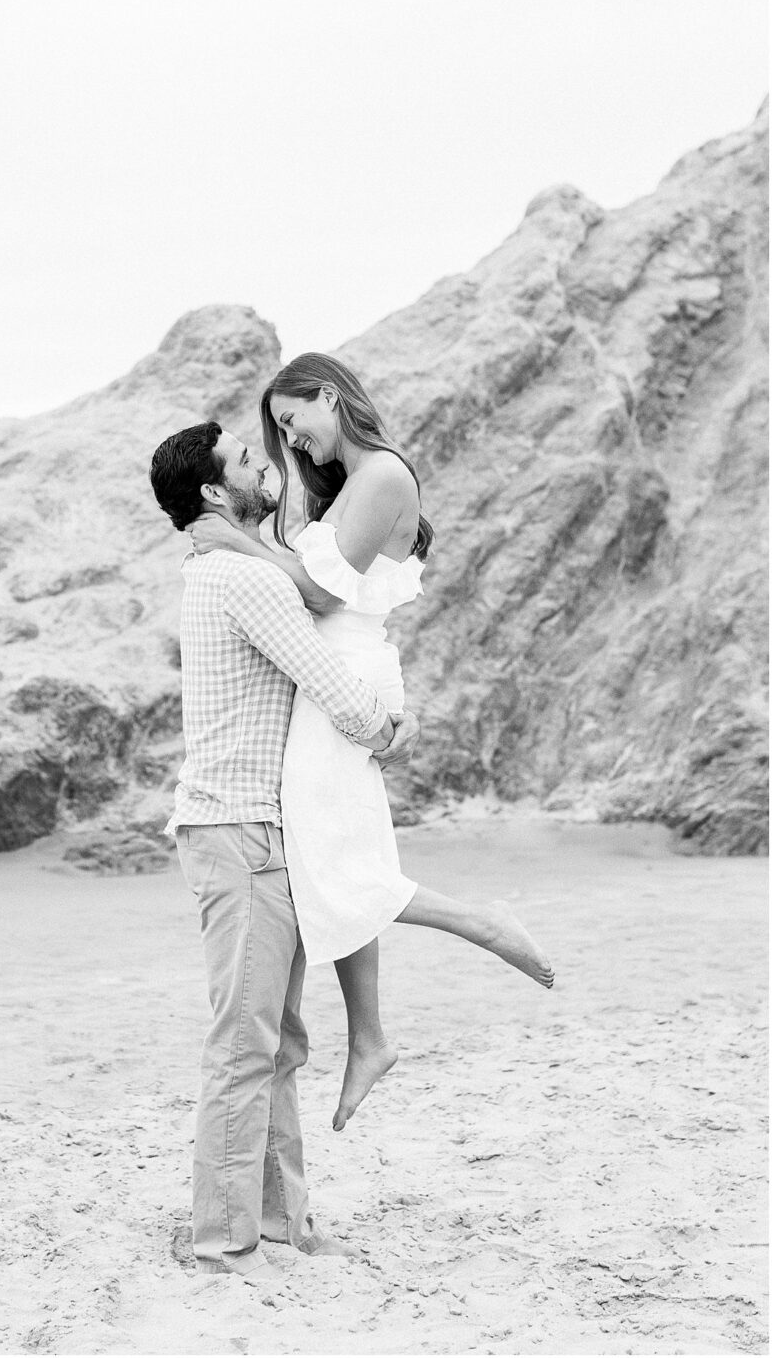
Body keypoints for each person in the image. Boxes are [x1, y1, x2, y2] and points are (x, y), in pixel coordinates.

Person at [187, 354, 554, 1134]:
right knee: (338, 860)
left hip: (345, 675)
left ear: (329, 395)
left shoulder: (383, 472)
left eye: (295, 420)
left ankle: (484, 927)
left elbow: (321, 593)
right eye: (279, 432)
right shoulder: (349, 484)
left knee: (335, 862)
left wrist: (229, 539)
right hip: (345, 674)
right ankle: (370, 1039)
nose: (292, 439)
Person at [149, 419, 420, 1283]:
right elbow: (330, 679)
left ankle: (277, 1224)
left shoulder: (217, 571)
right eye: (245, 462)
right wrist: (387, 726)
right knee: (245, 1043)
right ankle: (225, 1243)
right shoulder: (240, 577)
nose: (267, 465)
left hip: (253, 831)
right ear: (211, 495)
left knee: (277, 1041)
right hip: (240, 831)